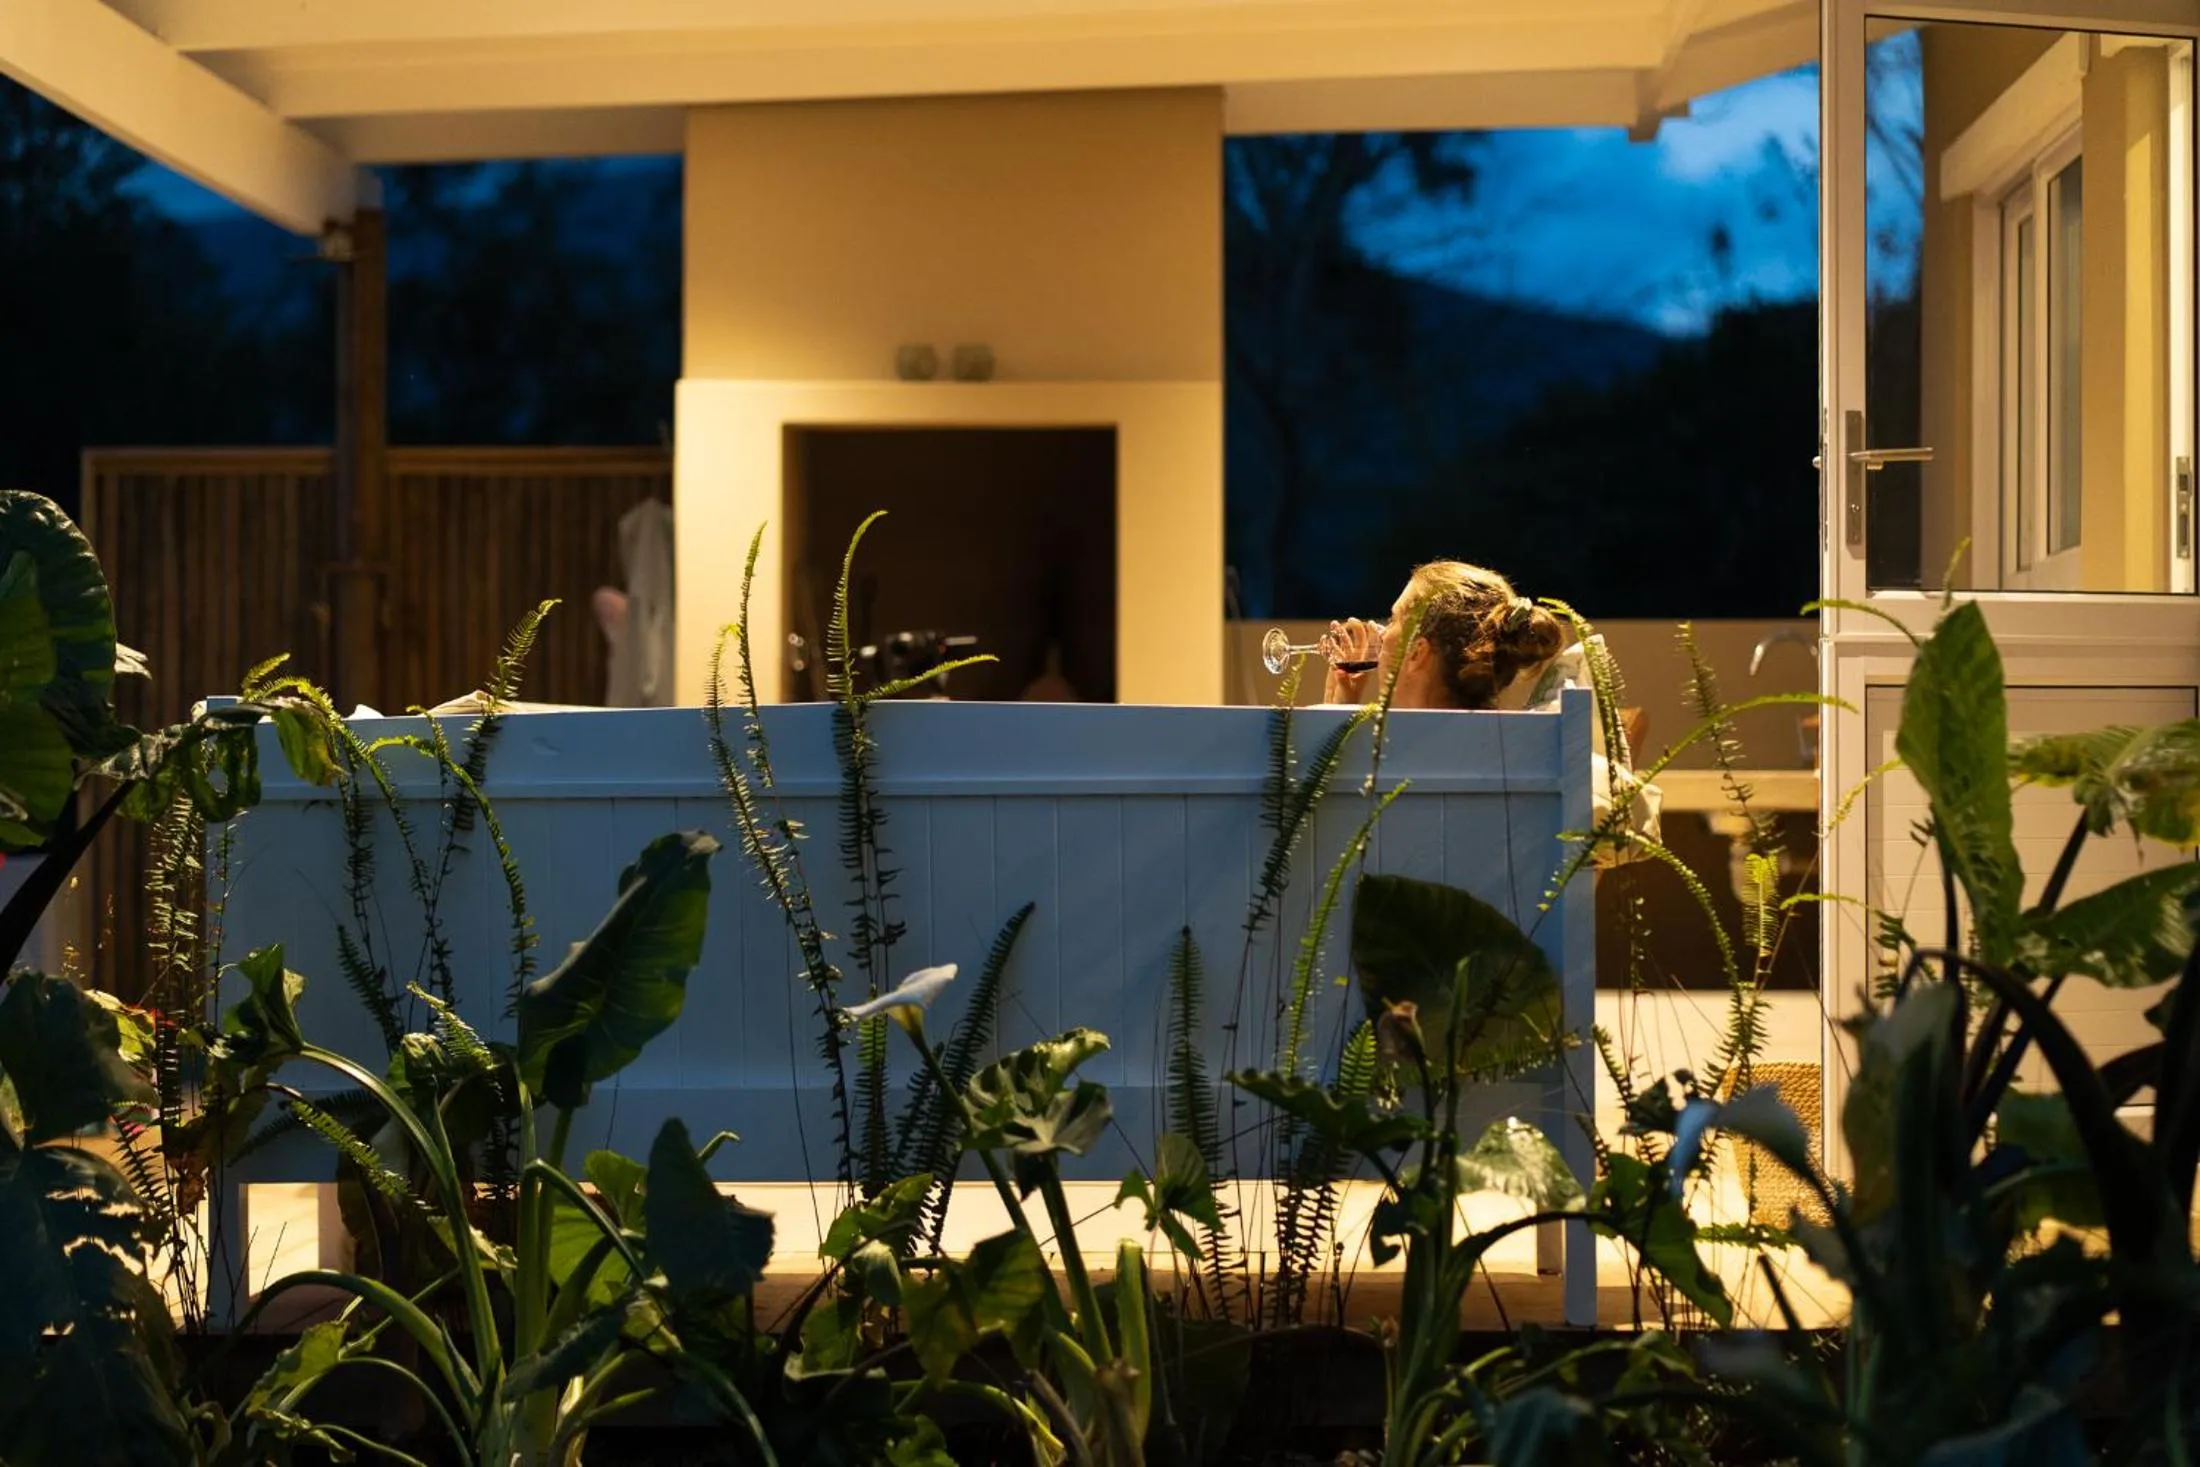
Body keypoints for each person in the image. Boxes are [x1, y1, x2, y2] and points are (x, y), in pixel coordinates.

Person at [1319, 560, 1659, 856]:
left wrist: (1334, 721)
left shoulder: (1386, 761)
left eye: (1391, 620)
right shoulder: (1525, 758)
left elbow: (1322, 861)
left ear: (1418, 652)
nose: (1380, 631)